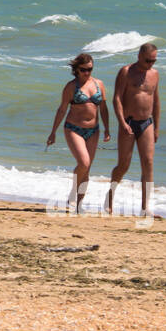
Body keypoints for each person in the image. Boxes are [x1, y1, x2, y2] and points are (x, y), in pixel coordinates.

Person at [46, 52, 110, 213]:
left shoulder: (98, 84)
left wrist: (107, 129)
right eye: (83, 70)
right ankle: (73, 193)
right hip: (73, 128)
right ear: (76, 69)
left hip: (94, 130)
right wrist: (53, 132)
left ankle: (78, 205)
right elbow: (62, 110)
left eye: (90, 69)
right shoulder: (71, 87)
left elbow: (103, 108)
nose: (87, 73)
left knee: (87, 169)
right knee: (84, 163)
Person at [108, 42, 161, 217]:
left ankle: (145, 208)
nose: (150, 64)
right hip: (128, 122)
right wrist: (122, 122)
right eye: (147, 60)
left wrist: (156, 127)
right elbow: (116, 98)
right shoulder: (126, 72)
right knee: (124, 165)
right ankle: (110, 198)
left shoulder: (154, 74)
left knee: (149, 163)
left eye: (153, 61)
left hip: (147, 123)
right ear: (139, 56)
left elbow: (156, 101)